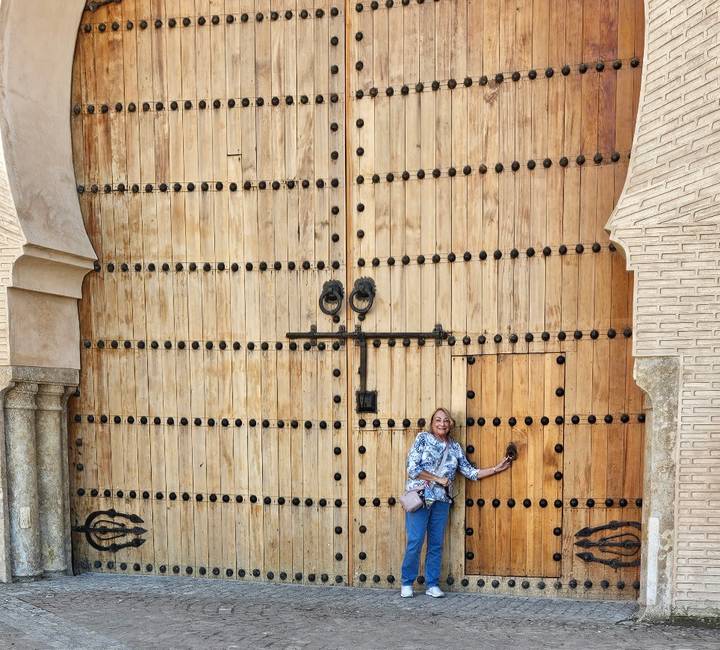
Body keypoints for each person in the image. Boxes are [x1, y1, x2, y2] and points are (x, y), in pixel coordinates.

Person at [400, 407, 511, 598]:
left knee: (436, 544)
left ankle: (432, 584)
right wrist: (438, 479)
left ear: (450, 424)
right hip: (421, 498)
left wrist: (496, 468)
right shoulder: (423, 439)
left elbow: (470, 472)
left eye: (446, 420)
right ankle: (407, 582)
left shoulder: (455, 447)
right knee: (415, 541)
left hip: (442, 500)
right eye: (438, 420)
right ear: (432, 423)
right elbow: (412, 469)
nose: (442, 423)